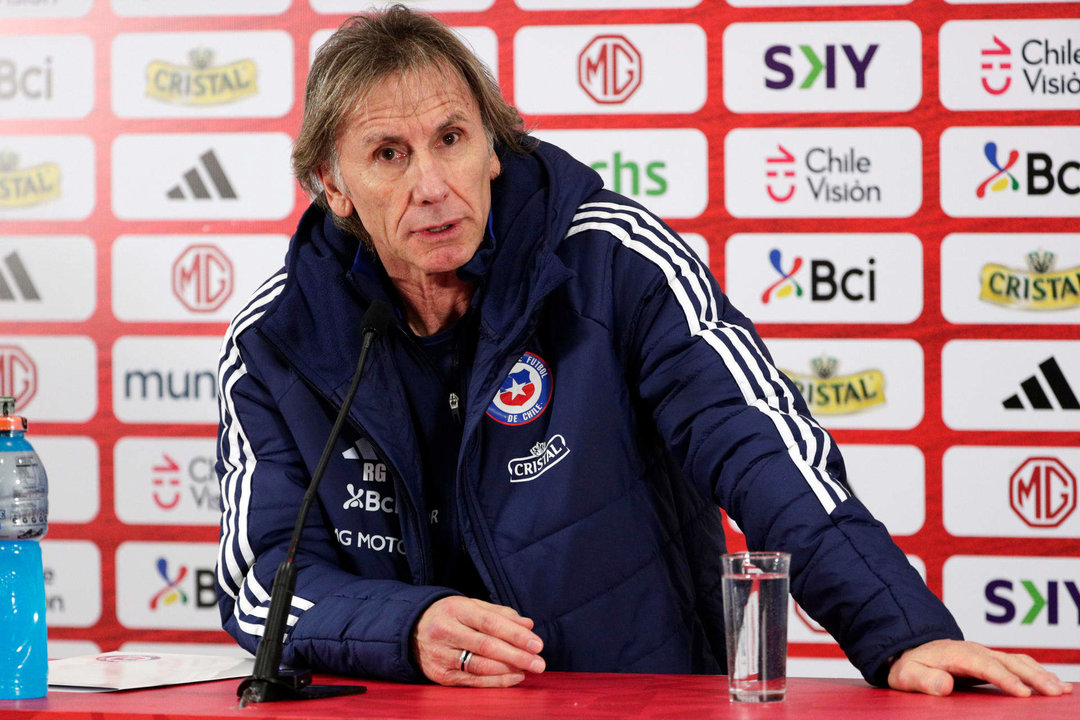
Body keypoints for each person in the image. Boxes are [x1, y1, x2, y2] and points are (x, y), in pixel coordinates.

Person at [214, 4, 1071, 697]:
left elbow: (758, 443)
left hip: (639, 695)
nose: (432, 185)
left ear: (494, 143)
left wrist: (903, 634)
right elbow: (263, 580)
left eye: (452, 138)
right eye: (389, 155)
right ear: (333, 183)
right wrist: (405, 628)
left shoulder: (612, 261)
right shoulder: (272, 346)